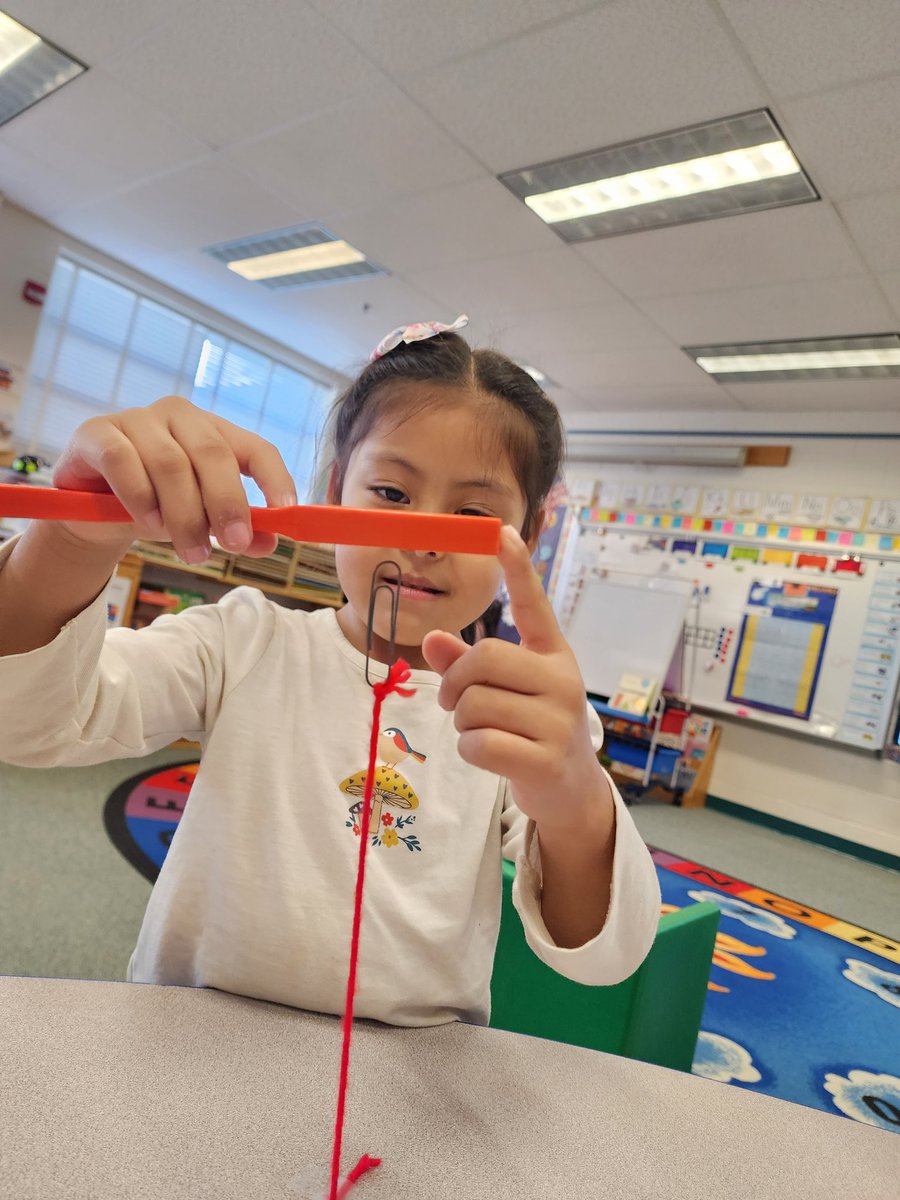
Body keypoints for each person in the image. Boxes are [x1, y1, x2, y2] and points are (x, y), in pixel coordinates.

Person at [0, 319, 660, 1027]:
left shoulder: (520, 710)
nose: (419, 540)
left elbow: (602, 954)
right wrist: (67, 542)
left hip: (409, 1079)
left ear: (526, 538)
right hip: (189, 1045)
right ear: (336, 490)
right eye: (393, 494)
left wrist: (574, 800)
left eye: (470, 513)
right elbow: (29, 722)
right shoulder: (243, 641)